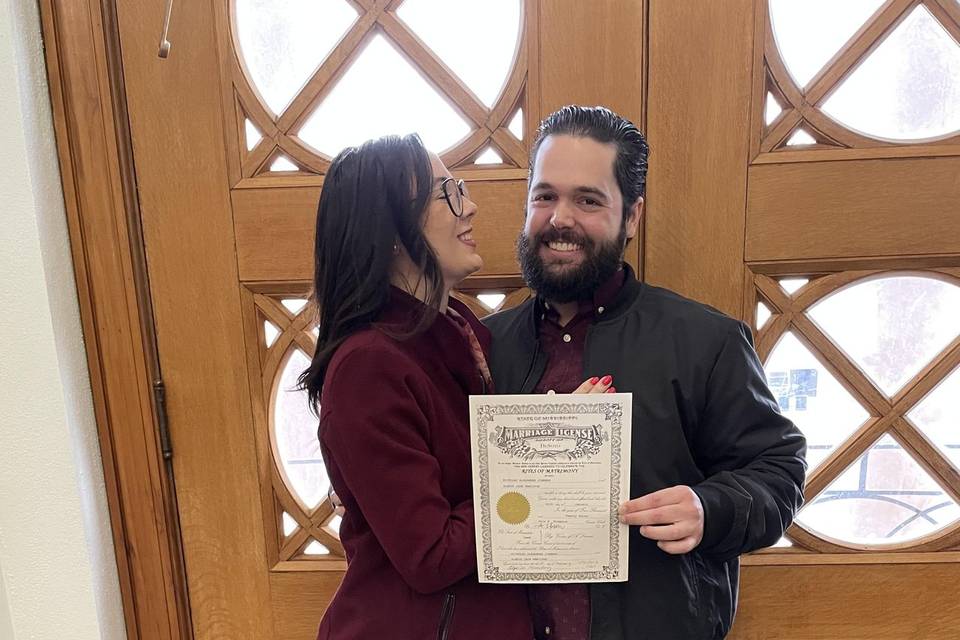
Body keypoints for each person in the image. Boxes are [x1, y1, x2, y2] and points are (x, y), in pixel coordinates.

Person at [483, 105, 807, 640]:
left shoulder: (706, 341)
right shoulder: (483, 347)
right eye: (545, 196)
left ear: (632, 216)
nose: (560, 217)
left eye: (588, 200)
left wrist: (711, 508)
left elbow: (778, 468)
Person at [298, 133, 613, 639]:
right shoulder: (369, 367)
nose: (470, 206)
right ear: (393, 231)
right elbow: (431, 554)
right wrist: (549, 457)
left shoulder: (458, 335)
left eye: (460, 188)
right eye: (446, 193)